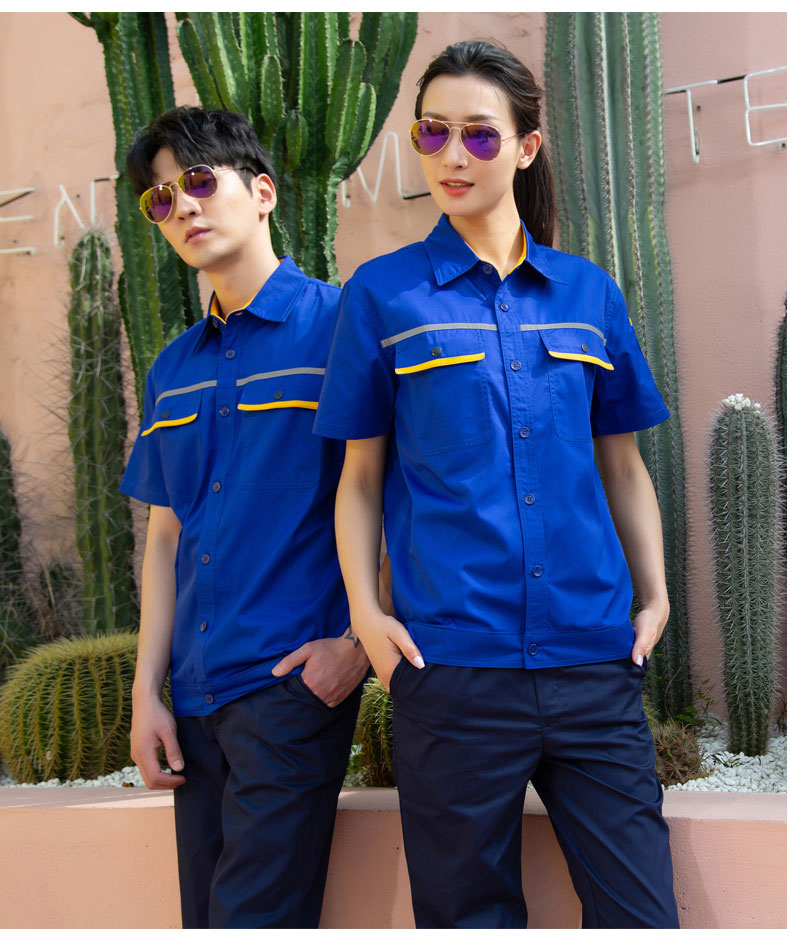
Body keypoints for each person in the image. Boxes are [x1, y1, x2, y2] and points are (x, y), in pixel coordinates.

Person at [314, 40, 680, 929]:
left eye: (479, 135)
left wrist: (656, 594)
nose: (452, 155)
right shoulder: (382, 295)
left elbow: (622, 463)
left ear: (525, 147)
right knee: (465, 920)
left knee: (642, 915)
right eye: (432, 133)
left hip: (592, 662)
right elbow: (360, 478)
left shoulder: (589, 294)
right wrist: (367, 616)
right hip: (452, 673)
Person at [120, 106, 369, 929]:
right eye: (161, 199)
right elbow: (166, 534)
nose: (182, 207)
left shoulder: (342, 327)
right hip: (194, 697)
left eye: (199, 181)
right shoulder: (172, 367)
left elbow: (398, 495)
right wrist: (146, 693)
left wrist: (355, 646)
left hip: (288, 686)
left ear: (263, 192)